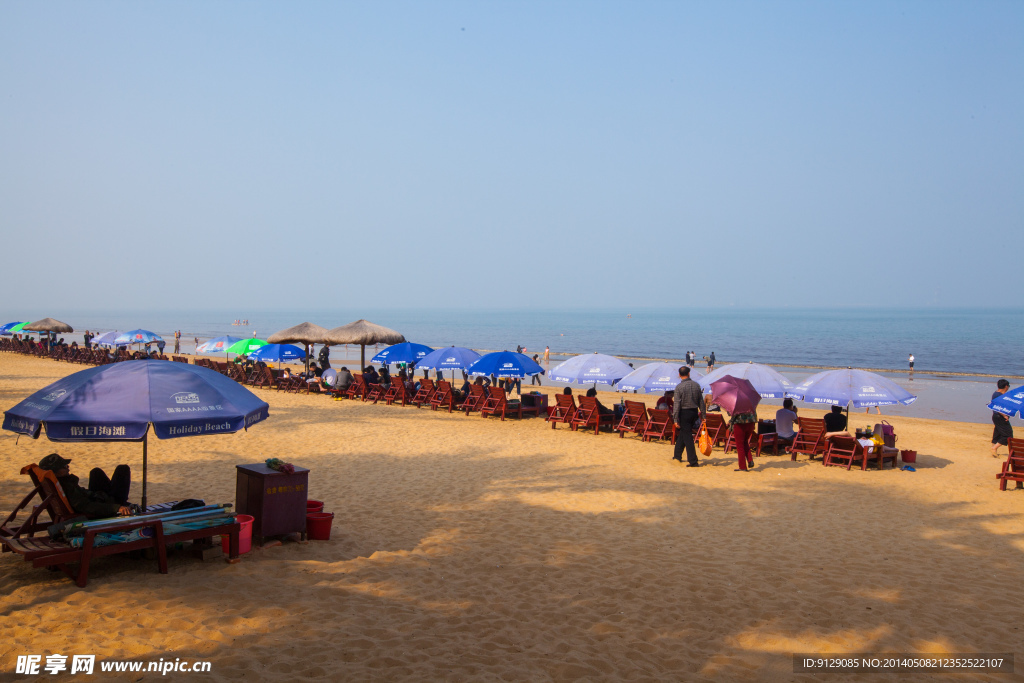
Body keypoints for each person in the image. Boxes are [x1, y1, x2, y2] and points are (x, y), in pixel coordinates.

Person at [38, 453, 132, 519]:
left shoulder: (60, 483)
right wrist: (117, 508)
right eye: (64, 466)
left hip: (97, 499)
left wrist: (94, 494)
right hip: (104, 505)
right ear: (55, 473)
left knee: (96, 472)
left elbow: (82, 496)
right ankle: (122, 503)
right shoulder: (66, 487)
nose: (68, 467)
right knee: (123, 470)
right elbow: (87, 506)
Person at [672, 366, 706, 467]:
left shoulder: (679, 387)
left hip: (685, 413)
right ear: (689, 374)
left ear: (679, 375)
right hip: (694, 412)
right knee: (684, 432)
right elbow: (701, 401)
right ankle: (677, 456)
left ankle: (693, 461)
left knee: (687, 437)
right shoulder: (696, 385)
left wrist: (675, 418)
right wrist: (703, 414)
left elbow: (677, 404)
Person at [728, 405, 758, 472]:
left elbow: (732, 414)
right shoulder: (750, 402)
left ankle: (742, 466)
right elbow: (755, 414)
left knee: (740, 446)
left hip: (740, 424)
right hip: (750, 423)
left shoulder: (736, 402)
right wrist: (754, 424)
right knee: (745, 442)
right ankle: (750, 460)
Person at [991, 379, 1014, 457]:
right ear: (1006, 386)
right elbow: (998, 407)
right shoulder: (999, 395)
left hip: (996, 416)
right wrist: (1004, 416)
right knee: (1008, 434)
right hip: (1000, 416)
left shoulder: (996, 394)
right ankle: (994, 448)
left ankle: (993, 449)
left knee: (997, 433)